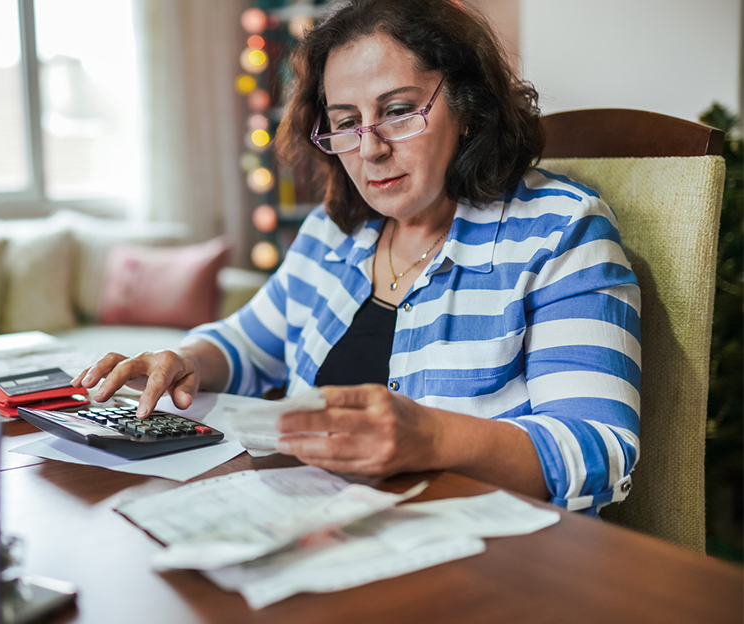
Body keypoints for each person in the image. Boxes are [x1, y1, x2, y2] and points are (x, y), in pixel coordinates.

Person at [72, 0, 640, 515]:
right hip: (323, 526)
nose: (370, 148)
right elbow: (250, 343)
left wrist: (433, 437)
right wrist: (184, 357)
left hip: (489, 560)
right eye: (346, 122)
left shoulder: (561, 231)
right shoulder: (333, 231)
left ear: (467, 107)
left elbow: (601, 448)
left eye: (397, 111)